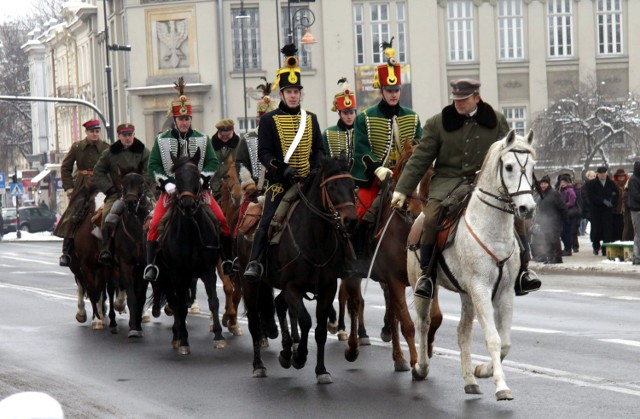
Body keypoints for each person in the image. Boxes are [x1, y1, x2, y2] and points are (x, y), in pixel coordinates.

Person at [391, 79, 541, 299]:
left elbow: (510, 153)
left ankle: (523, 271)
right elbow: (420, 159)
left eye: (463, 100)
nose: (458, 104)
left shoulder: (496, 121)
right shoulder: (438, 123)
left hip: (486, 181)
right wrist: (402, 189)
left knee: (516, 216)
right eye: (456, 99)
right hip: (448, 182)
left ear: (476, 98)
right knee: (431, 217)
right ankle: (427, 275)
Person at [243, 44, 325, 282]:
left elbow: (319, 149)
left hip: (308, 182)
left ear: (300, 94)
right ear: (281, 94)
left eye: (296, 91)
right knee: (268, 219)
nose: (293, 95)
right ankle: (256, 262)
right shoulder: (269, 120)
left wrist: (318, 169)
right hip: (280, 184)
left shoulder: (311, 118)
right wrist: (282, 169)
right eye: (288, 91)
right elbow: (264, 154)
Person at [144, 77, 233, 281]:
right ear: (174, 120)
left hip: (199, 192)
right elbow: (153, 165)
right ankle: (151, 266)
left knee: (222, 220)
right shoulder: (162, 140)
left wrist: (202, 179)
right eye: (181, 120)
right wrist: (166, 183)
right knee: (154, 224)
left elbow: (211, 162)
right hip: (171, 193)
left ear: (191, 119)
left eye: (187, 119)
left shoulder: (203, 138)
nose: (184, 123)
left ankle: (227, 260)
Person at [349, 39, 422, 277]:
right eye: (389, 90)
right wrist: (378, 169)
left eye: (396, 90)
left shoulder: (412, 117)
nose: (393, 94)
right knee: (360, 216)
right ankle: (359, 260)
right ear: (381, 91)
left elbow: (420, 148)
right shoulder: (365, 118)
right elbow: (361, 150)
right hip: (377, 178)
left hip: (408, 179)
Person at [93, 123, 152, 266]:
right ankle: (107, 249)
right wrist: (109, 189)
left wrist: (143, 186)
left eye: (130, 134)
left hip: (140, 193)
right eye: (124, 135)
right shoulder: (109, 153)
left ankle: (157, 249)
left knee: (156, 215)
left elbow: (150, 171)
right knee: (107, 216)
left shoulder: (143, 151)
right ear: (119, 136)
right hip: (118, 193)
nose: (128, 138)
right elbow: (98, 171)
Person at [53, 119, 110, 266]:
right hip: (81, 185)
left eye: (97, 131)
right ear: (87, 132)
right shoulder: (77, 147)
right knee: (73, 214)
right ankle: (66, 252)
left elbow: (112, 168)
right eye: (92, 131)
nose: (95, 134)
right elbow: (65, 167)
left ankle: (109, 248)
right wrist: (69, 188)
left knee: (106, 212)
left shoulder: (106, 148)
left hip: (101, 186)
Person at [209, 119, 253, 201]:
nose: (225, 137)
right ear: (218, 132)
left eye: (228, 135)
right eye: (222, 135)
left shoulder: (240, 144)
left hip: (235, 186)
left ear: (233, 131)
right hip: (214, 186)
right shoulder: (210, 144)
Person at [530, 175, 568, 264]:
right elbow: (538, 209)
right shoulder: (540, 195)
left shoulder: (554, 194)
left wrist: (565, 220)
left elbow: (563, 207)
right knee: (547, 241)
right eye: (541, 184)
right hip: (544, 222)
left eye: (545, 184)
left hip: (554, 221)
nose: (543, 186)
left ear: (548, 184)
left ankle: (557, 258)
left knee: (554, 240)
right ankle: (550, 257)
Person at [584, 166, 618, 256]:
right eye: (600, 173)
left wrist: (612, 201)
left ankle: (605, 248)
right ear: (597, 174)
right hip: (596, 210)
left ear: (606, 173)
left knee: (607, 230)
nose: (603, 175)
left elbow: (615, 193)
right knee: (596, 229)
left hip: (607, 211)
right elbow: (591, 196)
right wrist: (602, 201)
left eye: (604, 173)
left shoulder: (611, 183)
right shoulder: (592, 184)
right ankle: (596, 246)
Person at [323, 77, 357, 163]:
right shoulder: (328, 133)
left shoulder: (362, 132)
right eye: (345, 113)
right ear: (339, 114)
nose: (349, 116)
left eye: (351, 113)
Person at [558, 175, 578, 256]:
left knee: (566, 231)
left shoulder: (570, 190)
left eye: (564, 182)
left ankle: (568, 248)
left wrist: (564, 206)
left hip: (569, 213)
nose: (562, 184)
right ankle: (567, 248)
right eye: (561, 182)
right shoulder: (561, 190)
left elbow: (572, 201)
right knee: (563, 232)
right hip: (563, 213)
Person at [627, 161, 640, 264]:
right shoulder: (633, 180)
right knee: (639, 234)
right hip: (636, 210)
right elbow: (636, 195)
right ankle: (637, 257)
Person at [611, 168, 627, 241]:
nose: (621, 178)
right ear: (616, 177)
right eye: (619, 176)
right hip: (616, 210)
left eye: (622, 176)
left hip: (625, 210)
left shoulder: (627, 184)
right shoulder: (613, 184)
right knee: (617, 227)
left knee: (625, 227)